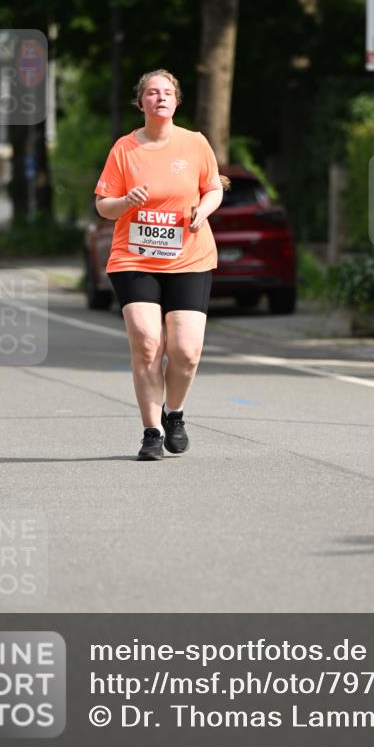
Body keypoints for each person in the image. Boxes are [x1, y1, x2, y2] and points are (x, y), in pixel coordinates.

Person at [94, 69, 224, 461]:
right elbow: (103, 206)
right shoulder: (124, 149)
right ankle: (151, 431)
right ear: (142, 103)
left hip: (190, 256)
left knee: (186, 351)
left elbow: (214, 187)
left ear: (177, 101)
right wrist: (126, 202)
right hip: (135, 258)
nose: (160, 98)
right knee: (149, 343)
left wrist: (203, 210)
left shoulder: (195, 143)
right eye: (152, 93)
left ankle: (175, 413)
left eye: (167, 92)